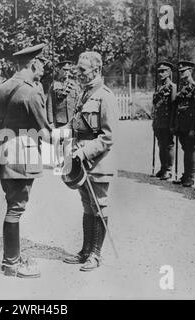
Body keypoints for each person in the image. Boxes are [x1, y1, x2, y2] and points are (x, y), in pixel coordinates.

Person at [0, 43, 52, 278]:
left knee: (12, 205)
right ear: (33, 63)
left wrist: (2, 142)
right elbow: (44, 132)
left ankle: (11, 260)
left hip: (4, 154)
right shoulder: (31, 91)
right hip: (23, 155)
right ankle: (11, 263)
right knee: (15, 208)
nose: (43, 68)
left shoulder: (2, 87)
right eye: (42, 64)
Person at [61, 51, 117, 271]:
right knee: (86, 205)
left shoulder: (106, 96)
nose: (78, 74)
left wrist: (83, 153)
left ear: (97, 70)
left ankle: (96, 254)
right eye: (78, 69)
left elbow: (108, 136)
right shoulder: (84, 94)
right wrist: (58, 133)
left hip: (98, 161)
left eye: (82, 70)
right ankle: (85, 250)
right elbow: (75, 125)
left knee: (99, 206)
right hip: (80, 161)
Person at [172, 60, 195, 187]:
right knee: (186, 149)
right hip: (182, 124)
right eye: (180, 72)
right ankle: (186, 175)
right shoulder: (183, 87)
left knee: (191, 149)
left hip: (190, 125)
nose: (181, 74)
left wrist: (194, 128)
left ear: (190, 71)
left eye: (184, 71)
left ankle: (190, 177)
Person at [46, 60, 81, 165]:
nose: (66, 72)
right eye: (64, 70)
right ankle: (57, 162)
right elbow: (49, 104)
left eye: (68, 70)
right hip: (59, 119)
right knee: (56, 142)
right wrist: (51, 122)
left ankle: (66, 162)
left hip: (71, 119)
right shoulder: (54, 85)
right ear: (59, 70)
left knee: (68, 142)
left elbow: (79, 101)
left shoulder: (74, 85)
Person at [152, 61, 177, 180]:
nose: (160, 74)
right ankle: (163, 167)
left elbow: (173, 107)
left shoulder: (173, 87)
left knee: (168, 145)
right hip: (158, 122)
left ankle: (169, 170)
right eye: (159, 72)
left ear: (169, 72)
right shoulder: (159, 87)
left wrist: (172, 123)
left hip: (167, 121)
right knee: (161, 145)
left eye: (163, 71)